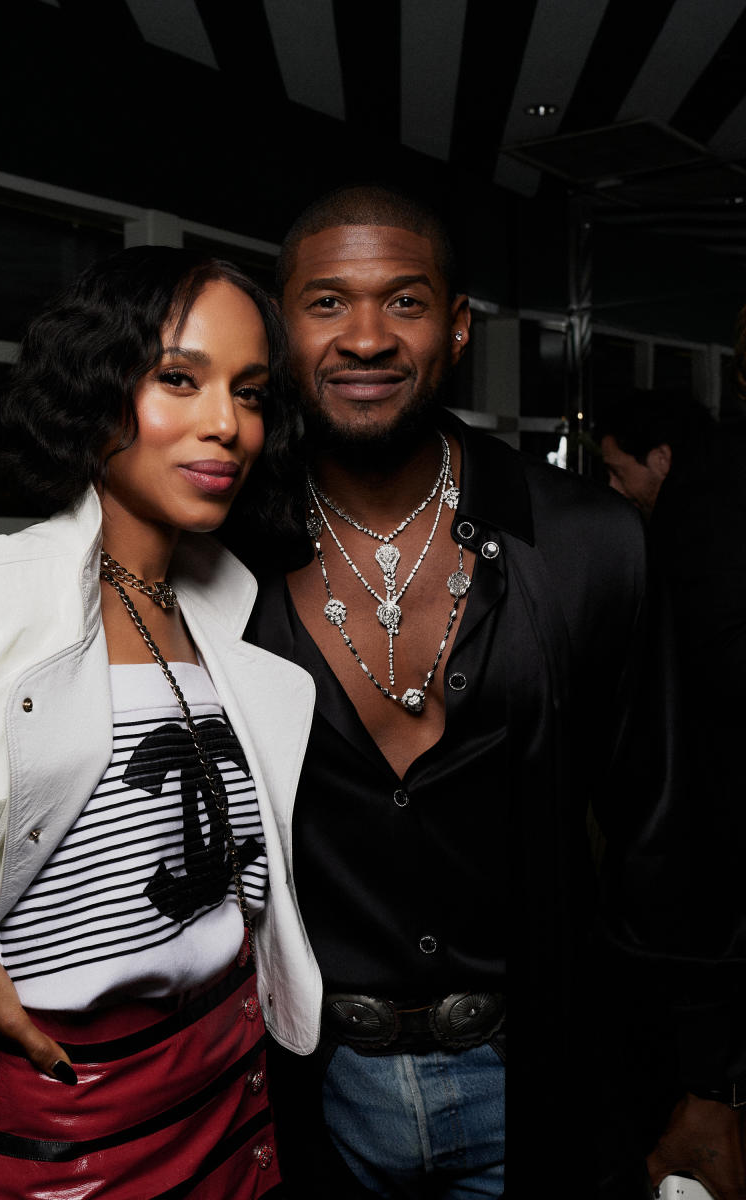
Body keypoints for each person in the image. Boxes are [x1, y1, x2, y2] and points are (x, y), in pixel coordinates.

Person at [0, 247, 324, 1198]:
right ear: (95, 387)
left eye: (250, 392)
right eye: (178, 379)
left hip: (237, 1090)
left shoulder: (234, 614)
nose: (227, 426)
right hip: (67, 1119)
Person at [230, 185, 731, 1199]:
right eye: (326, 304)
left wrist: (709, 1079)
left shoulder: (591, 541)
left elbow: (665, 828)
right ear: (281, 332)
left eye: (403, 303)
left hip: (548, 1079)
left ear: (456, 330)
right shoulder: (221, 555)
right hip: (301, 1096)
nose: (365, 336)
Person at [598, 387, 746, 1199]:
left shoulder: (695, 522)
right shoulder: (704, 510)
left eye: (622, 472)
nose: (617, 491)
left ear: (662, 458)